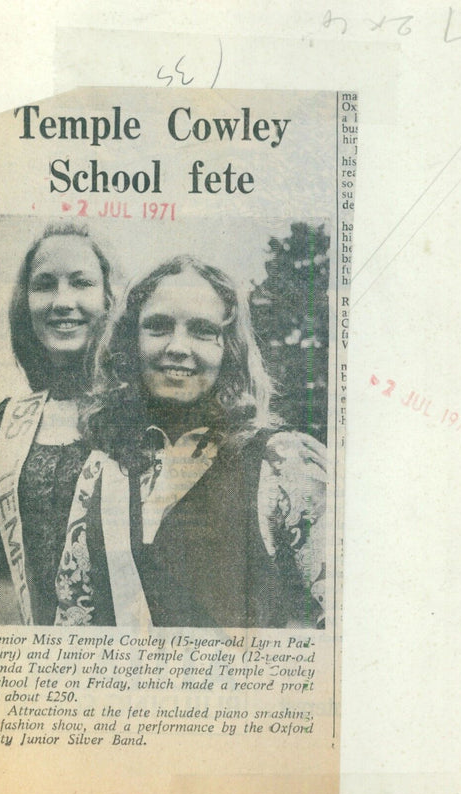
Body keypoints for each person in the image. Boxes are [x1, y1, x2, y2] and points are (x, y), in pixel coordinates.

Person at [54, 255, 327, 629]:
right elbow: (72, 624)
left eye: (201, 330)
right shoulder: (102, 470)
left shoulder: (283, 462)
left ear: (229, 349)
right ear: (130, 343)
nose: (178, 346)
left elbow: (341, 622)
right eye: (158, 326)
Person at [0, 221, 114, 625]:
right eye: (44, 285)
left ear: (110, 299)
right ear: (26, 304)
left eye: (81, 283)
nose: (62, 301)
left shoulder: (145, 413)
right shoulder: (5, 423)